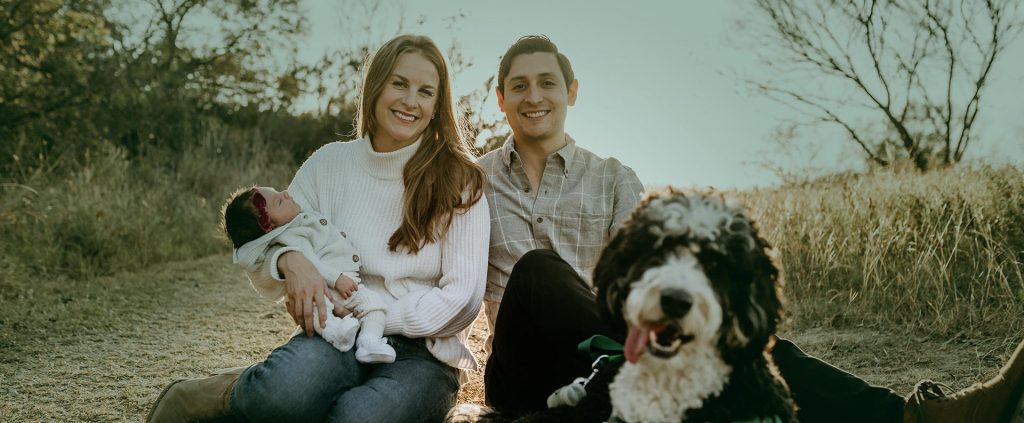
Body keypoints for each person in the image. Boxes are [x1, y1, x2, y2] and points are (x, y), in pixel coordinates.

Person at [479, 35, 1024, 423]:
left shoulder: (615, 178)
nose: (534, 97)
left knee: (739, 342)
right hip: (522, 370)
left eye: (547, 82)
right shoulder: (472, 179)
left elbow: (643, 273)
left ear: (571, 92)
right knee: (537, 270)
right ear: (501, 98)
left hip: (609, 356)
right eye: (519, 86)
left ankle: (915, 418)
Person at [147, 34, 489, 423]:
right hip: (336, 333)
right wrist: (290, 259)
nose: (411, 100)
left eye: (425, 91)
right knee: (282, 396)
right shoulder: (329, 163)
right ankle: (222, 394)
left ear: (436, 107)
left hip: (423, 354)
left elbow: (464, 297)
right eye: (399, 83)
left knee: (357, 418)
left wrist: (376, 314)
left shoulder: (460, 179)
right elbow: (265, 237)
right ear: (376, 86)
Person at [222, 186, 395, 363]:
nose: (286, 194)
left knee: (348, 308)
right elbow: (312, 265)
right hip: (335, 287)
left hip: (336, 289)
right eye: (279, 201)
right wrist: (336, 279)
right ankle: (363, 340)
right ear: (270, 225)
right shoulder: (294, 236)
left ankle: (355, 338)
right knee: (371, 306)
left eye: (279, 192)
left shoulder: (298, 221)